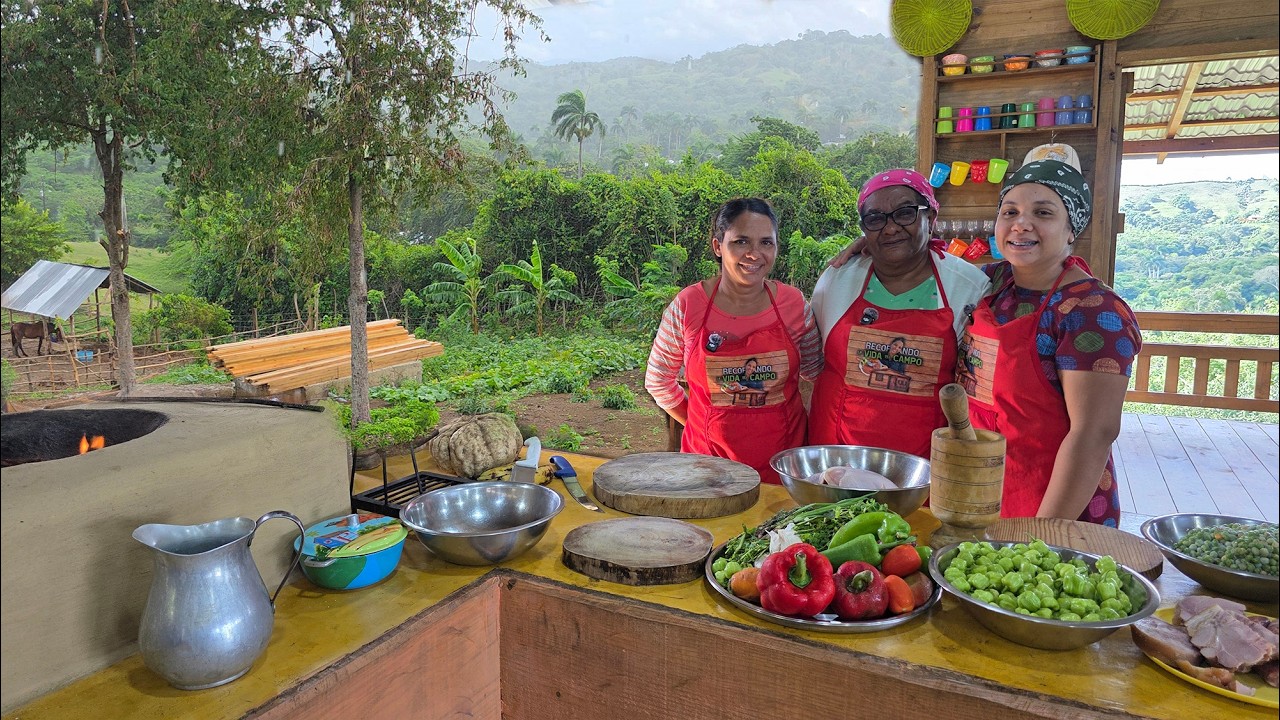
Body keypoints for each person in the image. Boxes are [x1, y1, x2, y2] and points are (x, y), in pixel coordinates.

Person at [957, 155, 1141, 526]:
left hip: (1056, 510)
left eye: (1043, 213)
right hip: (986, 493)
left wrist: (1041, 537)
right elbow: (923, 270)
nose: (1020, 224)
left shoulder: (1093, 311)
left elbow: (1093, 434)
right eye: (1010, 212)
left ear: (1072, 229)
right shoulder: (991, 283)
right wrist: (865, 255)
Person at [808, 169, 989, 458]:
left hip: (923, 463)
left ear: (931, 217)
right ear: (864, 229)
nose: (890, 228)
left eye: (905, 213)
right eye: (875, 219)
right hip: (835, 452)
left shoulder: (968, 287)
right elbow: (812, 361)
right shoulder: (837, 280)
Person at [645, 198, 823, 483]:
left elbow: (817, 373)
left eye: (766, 243)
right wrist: (700, 423)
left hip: (783, 467)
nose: (754, 254)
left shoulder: (793, 305)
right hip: (707, 468)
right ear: (718, 246)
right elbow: (658, 380)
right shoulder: (688, 306)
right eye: (741, 242)